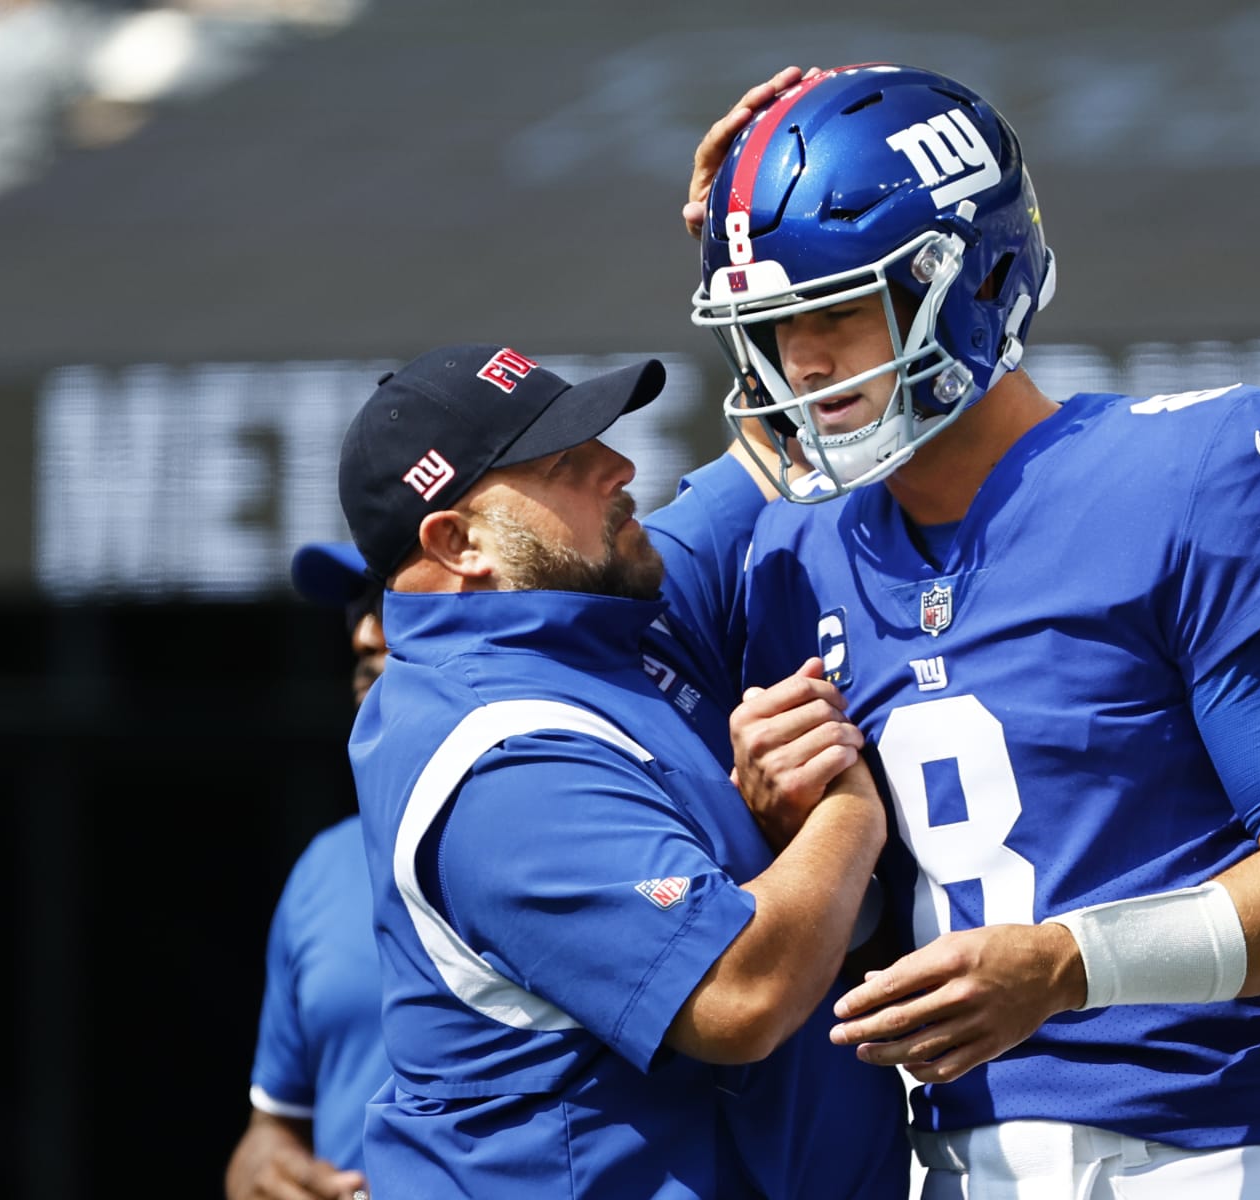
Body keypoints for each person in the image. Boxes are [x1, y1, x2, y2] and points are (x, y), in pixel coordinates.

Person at [689, 64, 1260, 1198]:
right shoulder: (792, 557)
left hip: (1205, 1152)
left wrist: (1068, 966)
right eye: (772, 324)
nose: (801, 363)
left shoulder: (1197, 473)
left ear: (976, 277)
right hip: (954, 1165)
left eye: (834, 310)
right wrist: (801, 828)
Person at [335, 343, 907, 1198]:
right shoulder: (496, 756)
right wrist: (847, 809)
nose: (621, 465)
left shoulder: (595, 612)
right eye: (563, 463)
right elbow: (739, 996)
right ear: (458, 542)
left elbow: (773, 444)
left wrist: (774, 291)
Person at [224, 541, 387, 1200]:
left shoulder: (584, 842)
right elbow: (271, 1132)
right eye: (359, 607)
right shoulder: (328, 866)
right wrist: (268, 1174)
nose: (366, 629)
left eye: (395, 597)